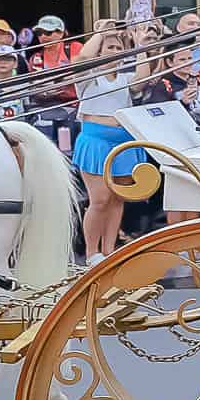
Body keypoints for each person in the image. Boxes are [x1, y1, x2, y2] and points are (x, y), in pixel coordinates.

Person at [72, 20, 153, 264]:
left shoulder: (124, 79)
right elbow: (83, 57)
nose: (115, 52)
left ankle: (109, 249)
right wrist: (101, 33)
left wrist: (139, 46)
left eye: (119, 48)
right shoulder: (89, 77)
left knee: (117, 197)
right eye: (110, 47)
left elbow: (143, 77)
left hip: (123, 140)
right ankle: (90, 252)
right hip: (96, 140)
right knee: (99, 199)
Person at [24, 14, 81, 152]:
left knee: (70, 139)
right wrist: (44, 92)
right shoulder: (35, 58)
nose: (43, 36)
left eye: (48, 32)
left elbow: (80, 73)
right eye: (39, 33)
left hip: (73, 104)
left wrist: (57, 82)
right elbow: (33, 88)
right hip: (47, 105)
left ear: (61, 33)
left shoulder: (74, 47)